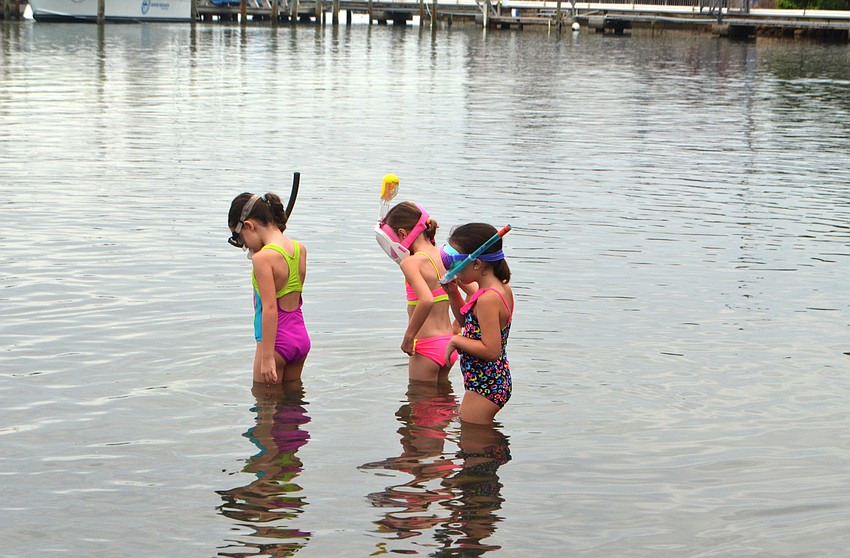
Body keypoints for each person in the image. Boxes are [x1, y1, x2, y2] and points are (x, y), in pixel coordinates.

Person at [228, 192, 310, 384]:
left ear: (249, 226)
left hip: (275, 344)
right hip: (300, 338)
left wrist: (266, 357)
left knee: (265, 407)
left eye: (241, 239)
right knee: (293, 407)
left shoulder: (262, 258)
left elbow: (270, 308)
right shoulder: (299, 249)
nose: (246, 247)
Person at [442, 223, 514, 425]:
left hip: (486, 387)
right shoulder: (498, 288)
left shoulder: (488, 299)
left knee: (475, 447)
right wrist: (453, 292)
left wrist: (457, 341)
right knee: (473, 443)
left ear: (477, 264)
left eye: (454, 262)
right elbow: (469, 322)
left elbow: (491, 350)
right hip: (488, 382)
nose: (451, 269)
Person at [380, 201, 459, 383]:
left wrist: (408, 338)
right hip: (449, 343)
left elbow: (426, 300)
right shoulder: (445, 255)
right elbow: (473, 293)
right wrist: (458, 325)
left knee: (420, 404)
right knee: (445, 402)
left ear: (402, 233)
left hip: (425, 347)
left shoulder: (411, 262)